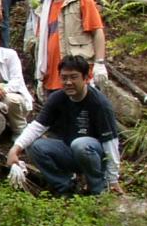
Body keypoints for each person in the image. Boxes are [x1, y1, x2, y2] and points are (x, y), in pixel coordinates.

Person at [7, 55, 122, 196]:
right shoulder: (57, 98)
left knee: (80, 144)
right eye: (64, 77)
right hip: (70, 151)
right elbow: (37, 127)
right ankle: (65, 186)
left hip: (95, 156)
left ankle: (99, 190)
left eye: (74, 77)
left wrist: (113, 179)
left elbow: (110, 143)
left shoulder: (99, 104)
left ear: (86, 78)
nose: (68, 82)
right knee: (34, 146)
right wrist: (16, 148)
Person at [35, 0, 107, 96]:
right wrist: (40, 76)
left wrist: (99, 63)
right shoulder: (45, 6)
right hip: (52, 77)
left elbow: (97, 31)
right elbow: (41, 42)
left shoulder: (81, 0)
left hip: (78, 74)